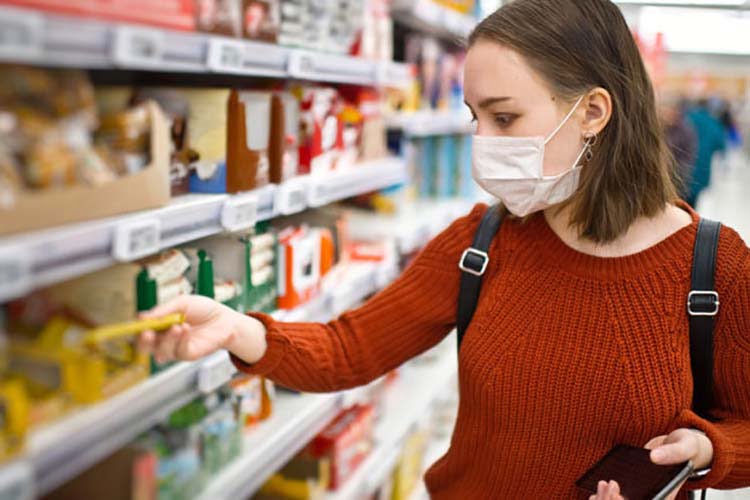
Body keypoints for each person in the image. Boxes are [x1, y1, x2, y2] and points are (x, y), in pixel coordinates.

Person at [139, 1, 750, 498]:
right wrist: (238, 329)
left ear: (592, 111)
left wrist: (707, 452)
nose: (482, 142)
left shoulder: (712, 268)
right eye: (473, 117)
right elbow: (350, 350)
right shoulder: (482, 242)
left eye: (504, 119)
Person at [685, 99, 727, 208]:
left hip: (682, 166)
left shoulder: (687, 118)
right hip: (702, 166)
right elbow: (720, 144)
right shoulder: (712, 122)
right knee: (694, 200)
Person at [660, 95, 697, 201]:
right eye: (665, 110)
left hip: (677, 179)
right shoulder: (657, 127)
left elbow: (688, 157)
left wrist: (676, 176)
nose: (667, 113)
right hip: (658, 180)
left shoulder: (686, 129)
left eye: (670, 110)